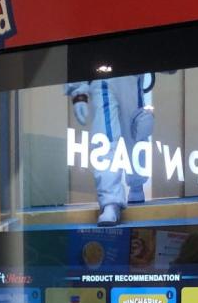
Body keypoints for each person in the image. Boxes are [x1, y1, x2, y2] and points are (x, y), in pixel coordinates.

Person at [65, 74, 153, 224]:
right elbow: (80, 52)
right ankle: (110, 202)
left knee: (135, 131)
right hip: (101, 76)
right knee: (106, 138)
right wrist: (78, 92)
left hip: (132, 72)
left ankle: (136, 185)